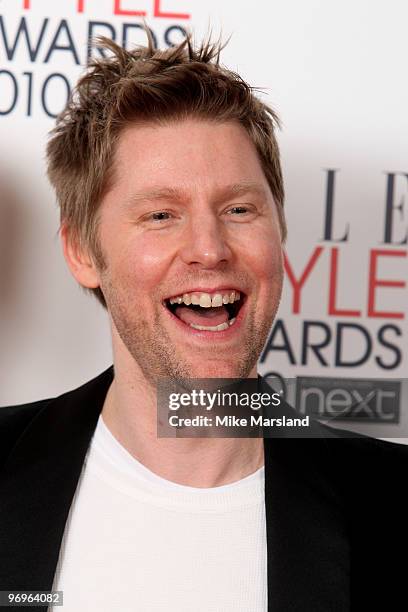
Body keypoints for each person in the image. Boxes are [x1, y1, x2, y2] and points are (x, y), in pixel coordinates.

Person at [0, 33, 407, 612]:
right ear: (83, 252)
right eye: (161, 214)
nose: (209, 249)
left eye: (239, 209)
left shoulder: (390, 505)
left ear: (280, 230)